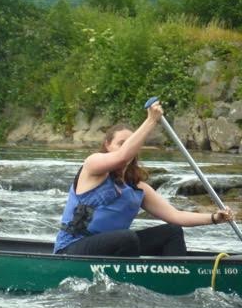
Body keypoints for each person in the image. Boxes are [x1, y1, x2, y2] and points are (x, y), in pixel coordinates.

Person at [53, 100, 234, 256]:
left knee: (172, 232)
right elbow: (122, 156)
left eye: (131, 144)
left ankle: (175, 277)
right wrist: (151, 120)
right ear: (107, 145)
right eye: (121, 143)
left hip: (115, 247)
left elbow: (176, 216)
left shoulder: (137, 188)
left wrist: (213, 218)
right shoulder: (93, 165)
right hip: (73, 248)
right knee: (127, 238)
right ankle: (127, 282)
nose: (127, 148)